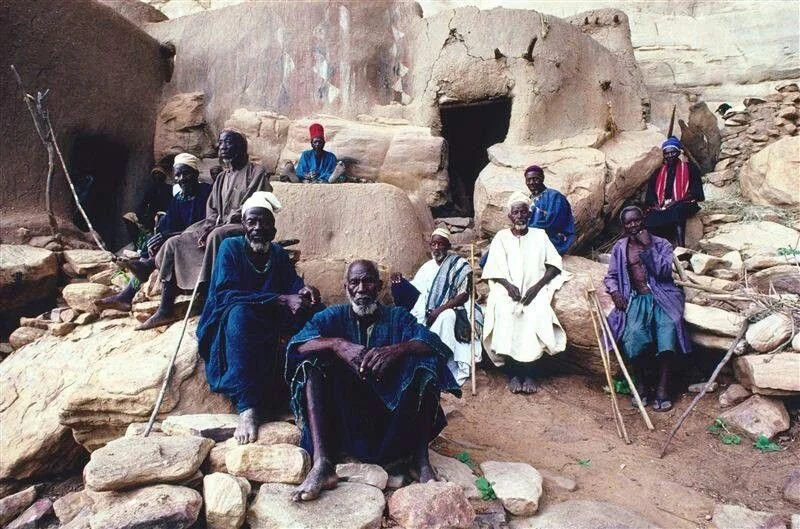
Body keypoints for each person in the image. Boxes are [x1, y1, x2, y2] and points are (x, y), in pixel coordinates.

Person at [285, 260, 460, 501]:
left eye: (368, 281)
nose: (361, 289)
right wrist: (338, 344)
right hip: (344, 424)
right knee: (311, 363)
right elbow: (298, 344)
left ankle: (419, 461)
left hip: (389, 425)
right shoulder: (333, 316)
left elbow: (432, 343)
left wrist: (396, 350)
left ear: (379, 286)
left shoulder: (397, 317)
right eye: (355, 282)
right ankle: (323, 463)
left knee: (425, 362)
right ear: (346, 287)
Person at [197, 192, 322, 443]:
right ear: (243, 225)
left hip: (269, 314)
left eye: (264, 222)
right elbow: (226, 294)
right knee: (240, 317)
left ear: (273, 229)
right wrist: (283, 299)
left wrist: (304, 291)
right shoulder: (230, 247)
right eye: (252, 222)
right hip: (230, 314)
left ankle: (303, 394)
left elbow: (291, 284)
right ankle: (247, 408)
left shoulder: (277, 253)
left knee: (317, 313)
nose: (258, 228)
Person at [137, 130, 271, 330]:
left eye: (227, 143)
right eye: (220, 143)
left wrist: (217, 226)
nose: (221, 147)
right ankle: (165, 307)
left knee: (217, 235)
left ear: (241, 147)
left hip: (244, 226)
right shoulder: (222, 177)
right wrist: (208, 226)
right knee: (178, 240)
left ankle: (210, 295)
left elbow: (252, 206)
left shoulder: (256, 172)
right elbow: (212, 210)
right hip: (218, 224)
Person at [96, 153, 211, 312]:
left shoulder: (207, 193)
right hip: (179, 240)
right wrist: (154, 241)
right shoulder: (179, 198)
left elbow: (204, 225)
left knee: (167, 245)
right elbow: (168, 225)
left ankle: (142, 295)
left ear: (196, 173)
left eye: (186, 173)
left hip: (199, 242)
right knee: (151, 246)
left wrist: (167, 236)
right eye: (178, 175)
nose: (181, 178)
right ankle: (127, 295)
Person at [603, 205, 690, 412]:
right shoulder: (620, 248)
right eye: (629, 222)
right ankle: (641, 385)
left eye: (637, 220)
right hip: (637, 297)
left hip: (663, 296)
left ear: (644, 221)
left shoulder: (661, 244)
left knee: (668, 328)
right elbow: (611, 276)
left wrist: (648, 246)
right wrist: (615, 292)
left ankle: (662, 388)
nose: (634, 225)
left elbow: (663, 272)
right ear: (624, 227)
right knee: (632, 334)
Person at [482, 192, 567, 394]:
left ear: (529, 214)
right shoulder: (501, 237)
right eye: (515, 212)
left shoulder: (539, 235)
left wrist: (536, 287)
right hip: (506, 290)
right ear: (510, 216)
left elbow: (554, 265)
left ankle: (530, 374)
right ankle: (512, 374)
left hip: (534, 289)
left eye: (523, 212)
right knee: (504, 312)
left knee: (536, 313)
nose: (519, 216)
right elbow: (493, 268)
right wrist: (508, 286)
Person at [390, 228, 482, 385]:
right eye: (434, 244)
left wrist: (439, 310)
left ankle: (446, 364)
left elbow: (464, 295)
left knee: (447, 316)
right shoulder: (427, 267)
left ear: (448, 246)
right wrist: (400, 282)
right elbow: (416, 291)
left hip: (455, 308)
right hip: (427, 310)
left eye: (441, 244)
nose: (437, 247)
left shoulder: (459, 264)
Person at [644, 136, 704, 248]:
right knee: (650, 218)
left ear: (678, 153)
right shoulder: (658, 172)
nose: (670, 156)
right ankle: (657, 249)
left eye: (673, 153)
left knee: (677, 211)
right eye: (667, 154)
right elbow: (651, 193)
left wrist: (676, 201)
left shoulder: (690, 168)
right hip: (663, 205)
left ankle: (681, 248)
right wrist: (656, 205)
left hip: (684, 202)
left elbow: (697, 193)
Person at [525, 165, 576, 255]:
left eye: (535, 179)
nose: (531, 182)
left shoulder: (555, 197)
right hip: (536, 237)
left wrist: (526, 230)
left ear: (542, 178)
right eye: (528, 180)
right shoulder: (529, 199)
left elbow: (550, 223)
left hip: (555, 240)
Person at [122, 166, 174, 248]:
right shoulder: (150, 189)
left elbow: (172, 204)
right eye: (155, 174)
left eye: (159, 173)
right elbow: (143, 204)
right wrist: (139, 216)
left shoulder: (170, 188)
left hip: (164, 216)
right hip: (151, 216)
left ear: (164, 176)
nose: (157, 175)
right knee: (128, 217)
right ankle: (137, 245)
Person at [280, 123, 345, 183]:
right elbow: (301, 170)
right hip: (307, 179)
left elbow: (331, 170)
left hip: (324, 178)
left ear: (324, 143)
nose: (317, 144)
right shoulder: (306, 155)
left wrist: (334, 173)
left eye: (320, 142)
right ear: (311, 143)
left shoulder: (331, 156)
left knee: (338, 176)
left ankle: (332, 178)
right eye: (315, 142)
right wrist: (307, 175)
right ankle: (293, 175)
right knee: (299, 177)